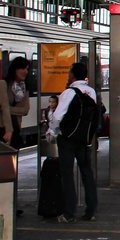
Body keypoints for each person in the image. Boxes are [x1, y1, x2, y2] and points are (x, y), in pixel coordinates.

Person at [48, 62, 99, 223]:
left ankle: (69, 212)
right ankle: (91, 210)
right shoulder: (91, 92)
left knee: (67, 174)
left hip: (68, 139)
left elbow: (58, 116)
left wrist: (52, 132)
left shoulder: (69, 92)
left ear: (72, 75)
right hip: (84, 139)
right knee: (87, 173)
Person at [0, 56, 31, 147]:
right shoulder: (2, 84)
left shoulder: (24, 87)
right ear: (15, 69)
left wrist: (4, 108)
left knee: (14, 158)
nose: (26, 71)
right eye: (23, 68)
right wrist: (9, 130)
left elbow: (25, 110)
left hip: (16, 126)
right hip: (2, 128)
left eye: (27, 69)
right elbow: (5, 108)